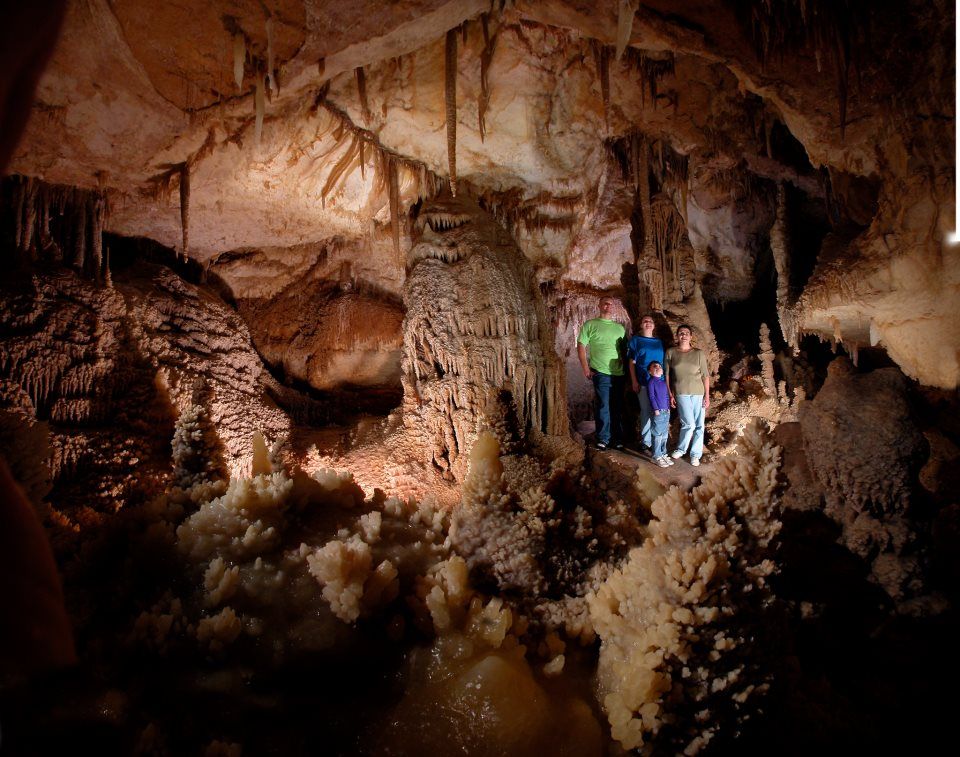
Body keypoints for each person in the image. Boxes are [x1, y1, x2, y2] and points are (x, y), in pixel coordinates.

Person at [577, 296, 626, 450]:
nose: (608, 306)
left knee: (617, 406)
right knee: (604, 405)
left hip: (618, 373)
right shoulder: (590, 324)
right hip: (600, 371)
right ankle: (603, 438)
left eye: (611, 304)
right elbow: (581, 345)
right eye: (605, 303)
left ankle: (617, 438)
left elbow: (624, 351)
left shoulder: (620, 328)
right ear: (599, 306)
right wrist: (585, 368)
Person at [665, 323, 710, 466]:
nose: (683, 335)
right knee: (688, 424)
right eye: (681, 333)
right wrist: (670, 393)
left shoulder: (698, 353)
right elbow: (667, 375)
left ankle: (695, 455)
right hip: (681, 392)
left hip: (698, 392)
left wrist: (707, 395)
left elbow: (705, 375)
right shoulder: (671, 352)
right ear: (677, 336)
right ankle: (681, 449)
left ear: (691, 336)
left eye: (686, 333)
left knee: (699, 425)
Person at [627, 314, 664, 454]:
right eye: (645, 321)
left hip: (659, 382)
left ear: (654, 325)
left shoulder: (659, 342)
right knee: (646, 411)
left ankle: (657, 440)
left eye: (650, 321)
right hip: (643, 380)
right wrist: (634, 380)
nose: (648, 323)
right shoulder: (636, 340)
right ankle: (646, 441)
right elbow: (632, 362)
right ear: (641, 325)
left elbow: (662, 362)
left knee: (658, 411)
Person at [645, 360, 673, 467]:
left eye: (659, 366)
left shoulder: (663, 383)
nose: (657, 367)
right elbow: (652, 397)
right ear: (650, 371)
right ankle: (656, 456)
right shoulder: (651, 382)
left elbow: (666, 396)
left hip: (666, 411)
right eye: (654, 366)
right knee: (657, 434)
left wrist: (668, 408)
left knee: (664, 434)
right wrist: (656, 409)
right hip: (658, 412)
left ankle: (663, 454)